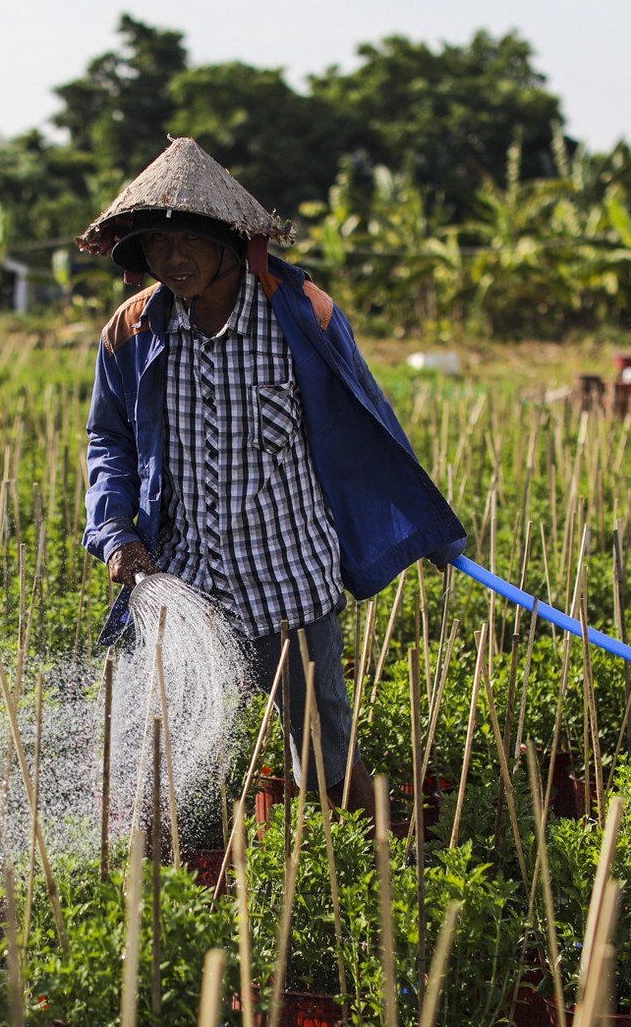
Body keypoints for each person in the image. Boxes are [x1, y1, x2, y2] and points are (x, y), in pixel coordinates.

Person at [79, 138, 466, 803]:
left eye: (189, 242)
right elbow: (108, 439)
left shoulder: (300, 314)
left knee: (323, 753)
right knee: (166, 761)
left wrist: (426, 527)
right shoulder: (133, 330)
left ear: (234, 240)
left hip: (290, 576)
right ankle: (176, 876)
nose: (171, 260)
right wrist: (114, 530)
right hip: (187, 581)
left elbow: (366, 418)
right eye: (153, 245)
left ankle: (355, 858)